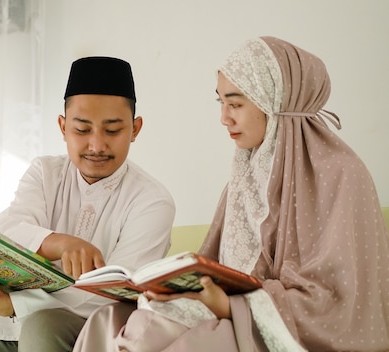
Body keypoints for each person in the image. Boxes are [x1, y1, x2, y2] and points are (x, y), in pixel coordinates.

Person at [73, 36, 389, 351]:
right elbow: (217, 267)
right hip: (231, 311)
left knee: (186, 340)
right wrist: (184, 289)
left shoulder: (342, 174)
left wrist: (227, 307)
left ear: (273, 102)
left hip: (274, 328)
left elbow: (338, 305)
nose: (224, 118)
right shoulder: (245, 176)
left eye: (235, 104)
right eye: (221, 103)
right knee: (111, 318)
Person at [0, 56, 176, 351]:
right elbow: (7, 229)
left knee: (42, 326)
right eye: (82, 130)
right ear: (62, 126)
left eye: (112, 130)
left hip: (94, 334)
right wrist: (60, 244)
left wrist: (10, 304)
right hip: (16, 320)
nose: (97, 145)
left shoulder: (153, 201)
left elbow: (108, 298)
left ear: (135, 129)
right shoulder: (45, 172)